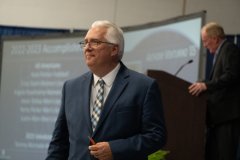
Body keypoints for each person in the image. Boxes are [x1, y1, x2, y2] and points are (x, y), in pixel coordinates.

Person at [45, 20, 167, 160]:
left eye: (95, 42)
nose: (87, 48)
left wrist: (115, 149)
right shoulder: (71, 87)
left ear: (114, 49)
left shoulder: (143, 86)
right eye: (85, 42)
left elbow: (156, 136)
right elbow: (59, 142)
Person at [188, 22, 240, 160]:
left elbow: (232, 75)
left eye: (205, 41)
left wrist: (206, 86)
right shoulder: (221, 52)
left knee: (225, 155)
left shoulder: (229, 49)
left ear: (215, 38)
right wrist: (202, 83)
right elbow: (219, 78)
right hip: (218, 118)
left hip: (227, 116)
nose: (204, 45)